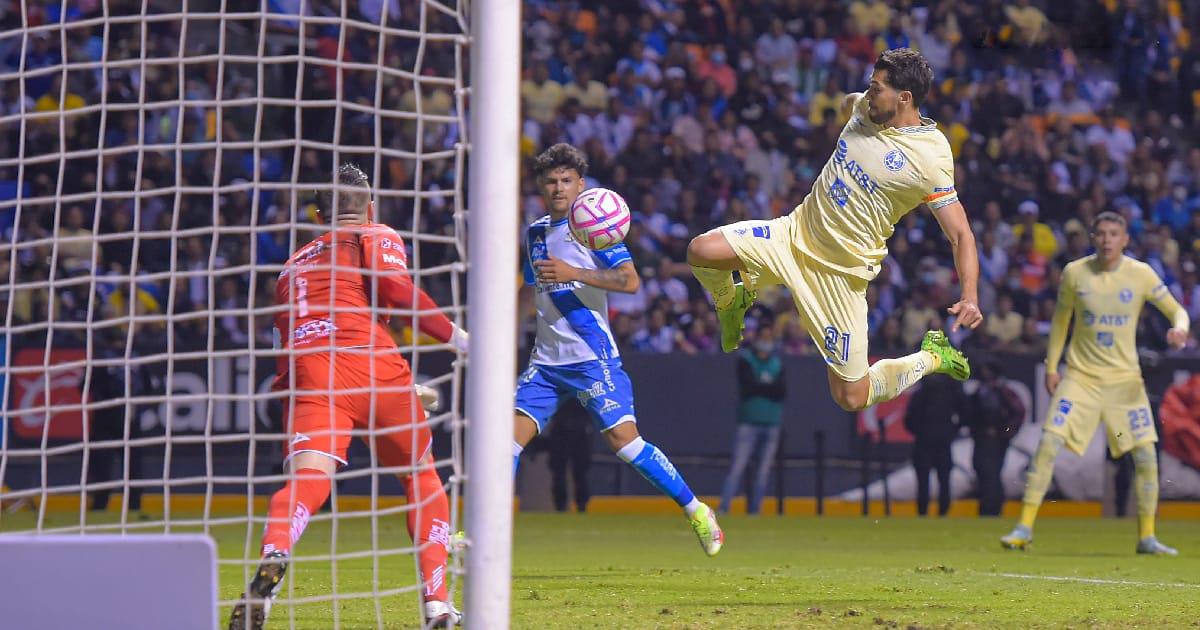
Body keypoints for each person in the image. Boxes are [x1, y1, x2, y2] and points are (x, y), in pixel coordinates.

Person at [229, 164, 470, 629]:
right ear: (370, 205)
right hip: (374, 363)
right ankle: (436, 604)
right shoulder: (374, 233)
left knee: (309, 480)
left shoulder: (291, 266)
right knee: (422, 481)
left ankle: (275, 552)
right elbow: (396, 290)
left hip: (311, 375)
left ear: (320, 215)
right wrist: (460, 340)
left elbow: (287, 349)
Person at [687, 48, 983, 415]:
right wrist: (853, 106)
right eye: (870, 86)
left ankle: (932, 357)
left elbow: (961, 235)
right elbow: (850, 103)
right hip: (792, 235)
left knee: (851, 396)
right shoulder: (867, 108)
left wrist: (969, 295)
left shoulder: (930, 157)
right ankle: (732, 300)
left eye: (877, 88)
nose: (869, 94)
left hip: (839, 277)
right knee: (701, 251)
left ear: (904, 98)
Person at [512, 143, 724, 556]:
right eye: (551, 181)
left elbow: (630, 282)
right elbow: (528, 287)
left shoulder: (595, 228)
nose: (559, 188)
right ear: (540, 186)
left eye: (567, 180)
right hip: (546, 364)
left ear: (581, 185)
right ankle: (479, 536)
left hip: (592, 359)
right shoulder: (535, 233)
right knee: (506, 444)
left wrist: (574, 272)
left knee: (626, 444)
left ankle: (697, 510)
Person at [1000, 211, 1190, 555]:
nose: (1106, 240)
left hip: (1124, 382)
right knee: (1048, 444)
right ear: (1092, 237)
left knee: (1146, 455)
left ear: (1125, 239)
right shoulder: (1075, 273)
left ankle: (1147, 536)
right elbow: (1061, 322)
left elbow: (1178, 311)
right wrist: (1051, 367)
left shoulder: (1141, 274)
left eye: (1113, 234)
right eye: (1100, 233)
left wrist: (1180, 329)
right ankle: (1023, 528)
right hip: (1080, 378)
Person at [718, 326, 786, 515]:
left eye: (769, 338)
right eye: (763, 337)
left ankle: (755, 510)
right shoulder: (746, 360)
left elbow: (780, 391)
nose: (766, 342)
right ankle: (724, 507)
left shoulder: (777, 363)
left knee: (763, 472)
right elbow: (749, 386)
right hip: (748, 422)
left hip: (771, 423)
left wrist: (762, 385)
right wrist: (767, 386)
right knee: (737, 467)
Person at [964, 360, 1024, 516]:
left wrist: (1004, 432)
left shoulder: (1002, 392)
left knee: (991, 472)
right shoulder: (981, 392)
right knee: (983, 471)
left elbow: (1018, 413)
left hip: (995, 440)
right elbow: (971, 415)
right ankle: (988, 506)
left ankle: (992, 508)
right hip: (982, 438)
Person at [903, 375, 964, 516]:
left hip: (924, 440)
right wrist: (952, 430)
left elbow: (909, 419)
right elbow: (964, 412)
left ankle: (923, 511)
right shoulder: (951, 391)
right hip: (943, 440)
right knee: (944, 478)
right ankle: (943, 511)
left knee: (923, 479)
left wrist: (920, 430)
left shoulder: (921, 393)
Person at [547, 402, 594, 513]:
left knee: (579, 474)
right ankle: (562, 506)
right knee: (560, 474)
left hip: (577, 433)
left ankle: (580, 505)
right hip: (562, 433)